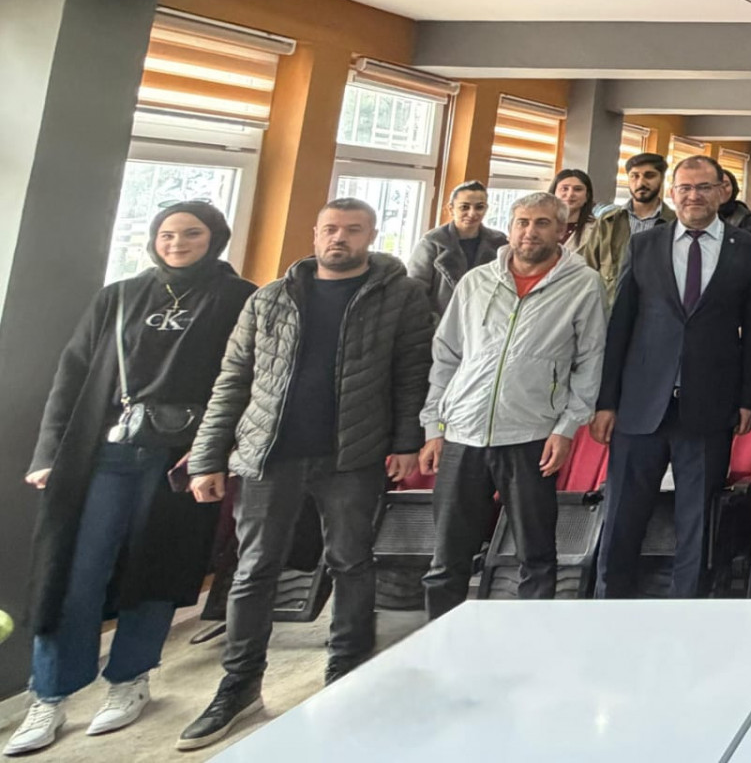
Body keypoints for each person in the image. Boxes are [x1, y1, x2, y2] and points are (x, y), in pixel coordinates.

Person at [180, 199, 435, 750]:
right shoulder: (270, 298)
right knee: (254, 570)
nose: (339, 238)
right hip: (270, 454)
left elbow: (413, 374)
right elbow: (233, 379)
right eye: (330, 229)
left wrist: (406, 443)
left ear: (371, 235)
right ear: (315, 233)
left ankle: (347, 668)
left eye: (352, 230)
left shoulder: (402, 297)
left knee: (351, 562)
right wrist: (207, 456)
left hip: (353, 454)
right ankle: (239, 683)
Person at [11, 204, 256, 758]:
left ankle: (130, 679)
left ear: (215, 237)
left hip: (181, 460)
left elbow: (247, 379)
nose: (177, 243)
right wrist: (49, 453)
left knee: (157, 568)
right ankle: (49, 694)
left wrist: (219, 453)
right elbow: (72, 375)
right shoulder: (119, 296)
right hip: (101, 454)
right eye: (166, 234)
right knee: (74, 571)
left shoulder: (238, 297)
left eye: (191, 233)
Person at [417, 192, 606, 618]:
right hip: (463, 432)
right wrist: (433, 427)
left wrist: (566, 428)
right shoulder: (476, 282)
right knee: (447, 557)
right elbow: (446, 356)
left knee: (535, 554)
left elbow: (590, 362)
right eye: (522, 222)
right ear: (510, 227)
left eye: (542, 223)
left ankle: (530, 639)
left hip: (531, 434)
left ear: (562, 230)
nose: (529, 232)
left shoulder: (583, 284)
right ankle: (439, 641)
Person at [593, 156, 751, 599]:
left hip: (708, 406)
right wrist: (606, 401)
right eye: (685, 187)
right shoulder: (645, 245)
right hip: (640, 406)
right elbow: (621, 326)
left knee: (697, 523)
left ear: (722, 191)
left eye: (704, 187)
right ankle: (607, 607)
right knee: (622, 518)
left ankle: (686, 610)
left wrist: (748, 398)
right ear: (672, 193)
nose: (694, 195)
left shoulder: (747, 248)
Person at [579, 152, 673, 305]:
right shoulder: (608, 221)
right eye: (634, 176)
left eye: (649, 176)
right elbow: (588, 267)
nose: (641, 182)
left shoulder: (675, 223)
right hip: (610, 306)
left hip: (656, 307)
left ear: (662, 178)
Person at [406, 180, 507, 318]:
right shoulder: (432, 243)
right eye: (464, 207)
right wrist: (432, 322)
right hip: (441, 322)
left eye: (479, 207)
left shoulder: (499, 243)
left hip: (484, 321)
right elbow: (415, 291)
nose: (472, 213)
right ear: (451, 209)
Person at [550, 168, 596, 250]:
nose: (570, 194)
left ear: (587, 196)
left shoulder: (597, 230)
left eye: (577, 189)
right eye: (564, 189)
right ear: (553, 194)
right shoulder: (538, 225)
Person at [717, 169, 751, 235]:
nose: (721, 189)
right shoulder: (704, 214)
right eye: (716, 185)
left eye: (726, 185)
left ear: (733, 188)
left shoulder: (748, 219)